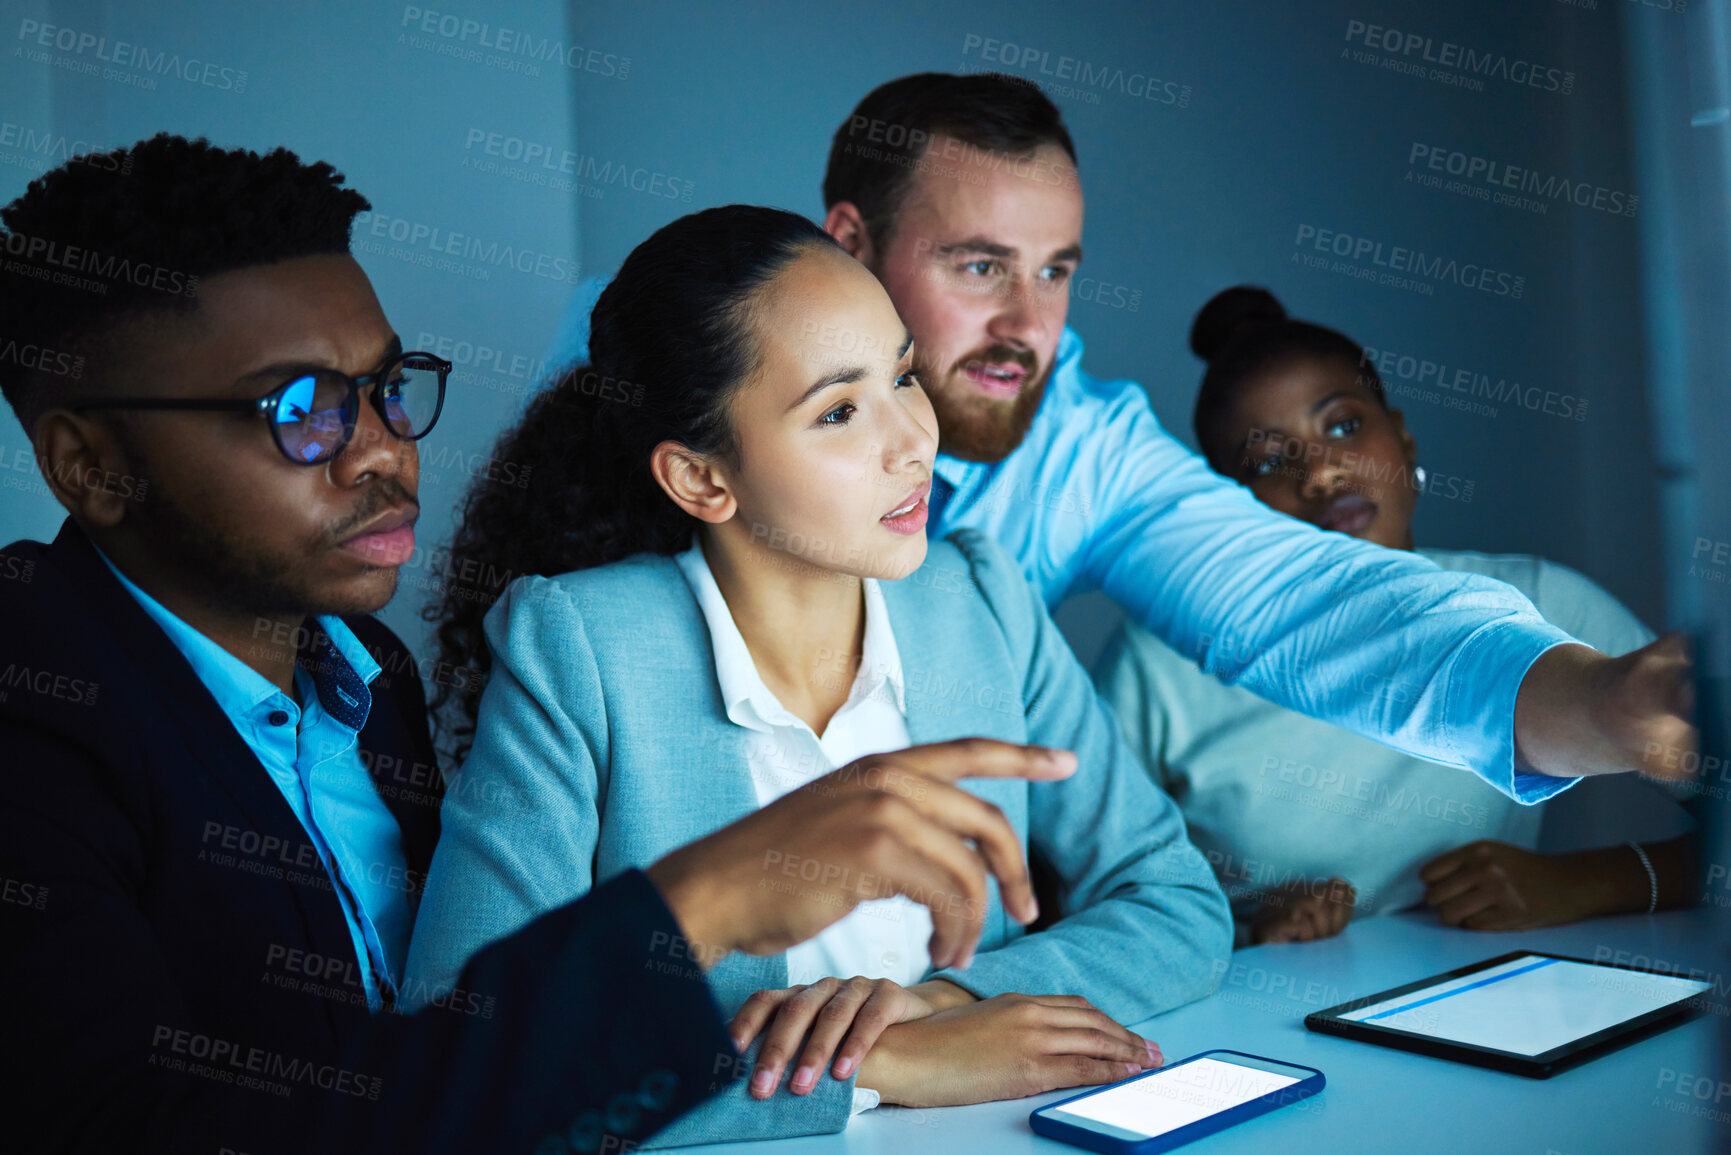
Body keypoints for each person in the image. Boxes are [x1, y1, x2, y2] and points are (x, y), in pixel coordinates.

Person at [0, 134, 1076, 1155]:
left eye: (385, 388)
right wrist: (709, 907)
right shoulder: (36, 726)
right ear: (88, 466)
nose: (381, 450)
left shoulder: (368, 677)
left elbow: (442, 1076)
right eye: (299, 411)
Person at [411, 204, 1230, 1146]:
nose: (913, 441)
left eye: (902, 375)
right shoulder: (581, 648)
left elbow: (1174, 899)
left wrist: (940, 1003)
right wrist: (875, 1067)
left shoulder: (982, 600)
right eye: (839, 410)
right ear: (699, 479)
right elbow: (462, 1055)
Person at [807, 73, 1697, 799]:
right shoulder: (698, 409)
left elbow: (1319, 604)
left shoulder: (1085, 450)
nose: (1026, 325)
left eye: (1053, 272)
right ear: (850, 245)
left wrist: (1602, 703)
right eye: (979, 266)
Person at [1094, 286, 1695, 945]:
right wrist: (1236, 928)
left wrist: (1590, 880)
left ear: (1402, 438)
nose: (1320, 471)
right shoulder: (1158, 661)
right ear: (1224, 511)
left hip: (1502, 1006)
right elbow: (1088, 896)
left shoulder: (1543, 599)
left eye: (1342, 426)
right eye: (1268, 460)